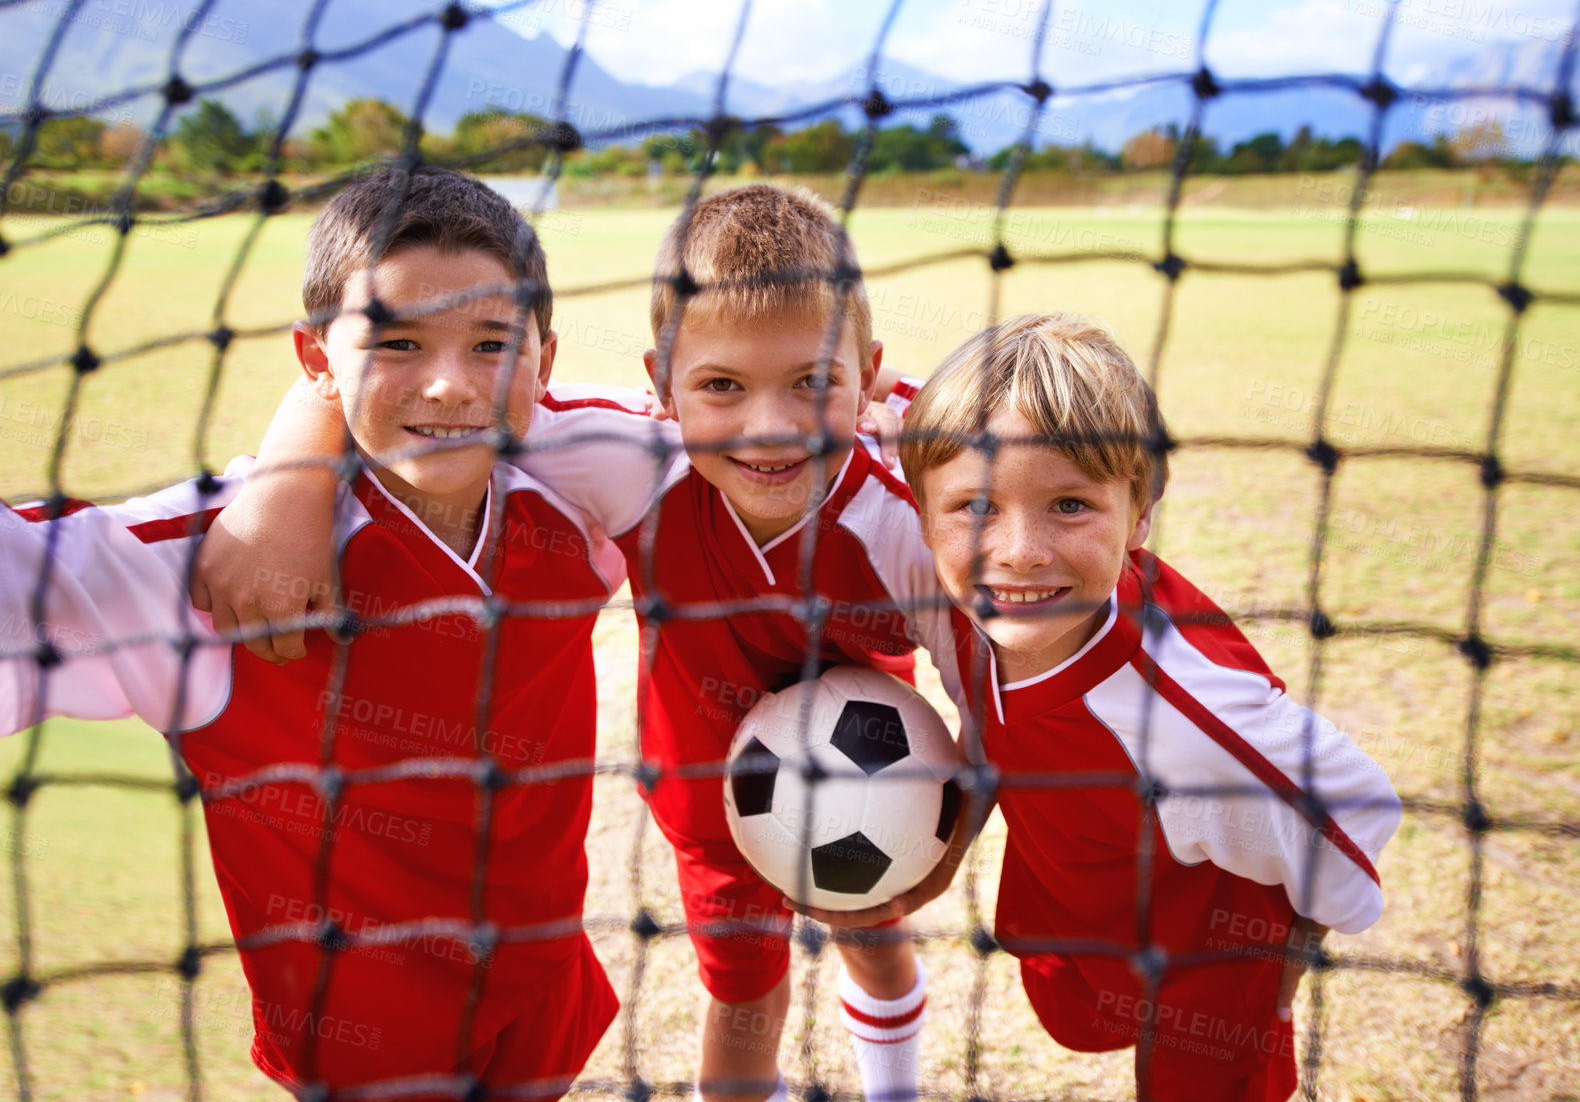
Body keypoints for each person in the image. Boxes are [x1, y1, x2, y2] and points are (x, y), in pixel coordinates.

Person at [196, 184, 970, 1102]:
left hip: (880, 760)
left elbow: (993, 691)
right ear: (662, 386)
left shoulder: (915, 520)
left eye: (812, 383)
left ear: (865, 374)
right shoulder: (635, 460)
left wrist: (952, 838)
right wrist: (289, 478)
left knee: (874, 935)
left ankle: (896, 1085)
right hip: (706, 770)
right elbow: (429, 389)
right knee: (743, 984)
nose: (769, 424)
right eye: (722, 386)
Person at [0, 167, 637, 1101]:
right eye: (398, 342)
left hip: (543, 987)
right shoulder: (200, 571)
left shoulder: (583, 474)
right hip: (361, 1047)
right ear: (315, 360)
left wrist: (301, 451)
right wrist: (291, 481)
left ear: (543, 358)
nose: (452, 384)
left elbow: (773, 416)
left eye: (492, 343)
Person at [896, 313, 1402, 1101]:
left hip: (1211, 960)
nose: (1020, 550)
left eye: (1070, 505)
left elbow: (1355, 802)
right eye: (976, 507)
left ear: (1141, 511)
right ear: (921, 514)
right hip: (1092, 900)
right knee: (1084, 1014)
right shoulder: (980, 610)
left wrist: (1269, 981)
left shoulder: (1181, 708)